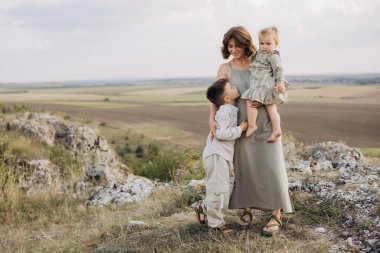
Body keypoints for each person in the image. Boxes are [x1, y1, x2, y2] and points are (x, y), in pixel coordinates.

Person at [210, 26, 293, 237]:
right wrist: (212, 119)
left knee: (272, 166)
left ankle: (276, 213)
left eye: (237, 45)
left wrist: (280, 87)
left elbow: (277, 77)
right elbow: (217, 97)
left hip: (265, 122)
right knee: (244, 167)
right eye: (230, 46)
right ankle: (246, 210)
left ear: (246, 44)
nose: (234, 49)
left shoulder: (261, 59)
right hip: (241, 125)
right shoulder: (225, 68)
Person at [194, 78, 248, 234]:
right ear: (227, 98)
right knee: (219, 191)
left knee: (227, 188)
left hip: (223, 156)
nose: (235, 87)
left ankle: (204, 208)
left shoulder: (229, 108)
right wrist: (241, 128)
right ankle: (216, 224)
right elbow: (220, 133)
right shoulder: (225, 110)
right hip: (217, 155)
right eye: (231, 87)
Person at [242, 26, 289, 142]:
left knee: (250, 101)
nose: (264, 46)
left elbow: (279, 70)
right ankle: (277, 130)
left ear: (276, 44)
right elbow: (249, 60)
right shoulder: (258, 53)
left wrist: (281, 83)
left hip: (264, 85)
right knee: (271, 108)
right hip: (261, 85)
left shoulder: (273, 56)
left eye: (268, 43)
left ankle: (252, 125)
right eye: (261, 43)